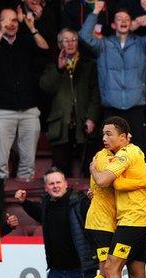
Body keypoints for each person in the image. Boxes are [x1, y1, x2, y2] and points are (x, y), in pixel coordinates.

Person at [64, 116, 146, 278]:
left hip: (127, 220)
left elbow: (110, 182)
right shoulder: (103, 158)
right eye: (103, 134)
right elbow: (106, 181)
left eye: (109, 134)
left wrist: (142, 181)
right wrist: (143, 181)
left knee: (114, 271)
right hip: (104, 223)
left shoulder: (126, 154)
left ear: (124, 136)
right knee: (120, 272)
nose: (104, 138)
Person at [14, 167, 102, 278]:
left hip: (81, 272)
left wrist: (94, 201)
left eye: (58, 182)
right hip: (55, 274)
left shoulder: (79, 201)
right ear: (46, 187)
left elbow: (93, 217)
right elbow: (40, 214)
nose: (55, 186)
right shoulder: (47, 203)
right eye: (51, 183)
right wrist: (24, 202)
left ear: (66, 184)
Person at [79, 0, 146, 155]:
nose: (123, 21)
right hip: (112, 106)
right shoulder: (103, 45)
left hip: (135, 106)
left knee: (139, 151)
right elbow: (84, 35)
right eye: (119, 19)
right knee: (110, 152)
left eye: (126, 19)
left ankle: (144, 179)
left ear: (131, 24)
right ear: (113, 25)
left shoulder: (141, 44)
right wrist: (96, 11)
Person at [0, 7, 49, 181]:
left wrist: (32, 27)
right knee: (0, 163)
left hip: (29, 109)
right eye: (6, 21)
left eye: (14, 21)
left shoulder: (26, 41)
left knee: (28, 163)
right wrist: (0, 33)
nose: (11, 24)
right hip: (2, 110)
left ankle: (23, 202)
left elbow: (45, 49)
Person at [39, 28, 101, 177]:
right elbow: (46, 88)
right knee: (60, 171)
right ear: (60, 44)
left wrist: (92, 117)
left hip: (84, 123)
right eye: (66, 40)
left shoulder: (89, 64)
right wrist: (59, 69)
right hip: (61, 125)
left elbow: (96, 94)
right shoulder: (52, 65)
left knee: (89, 171)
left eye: (73, 39)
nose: (70, 43)